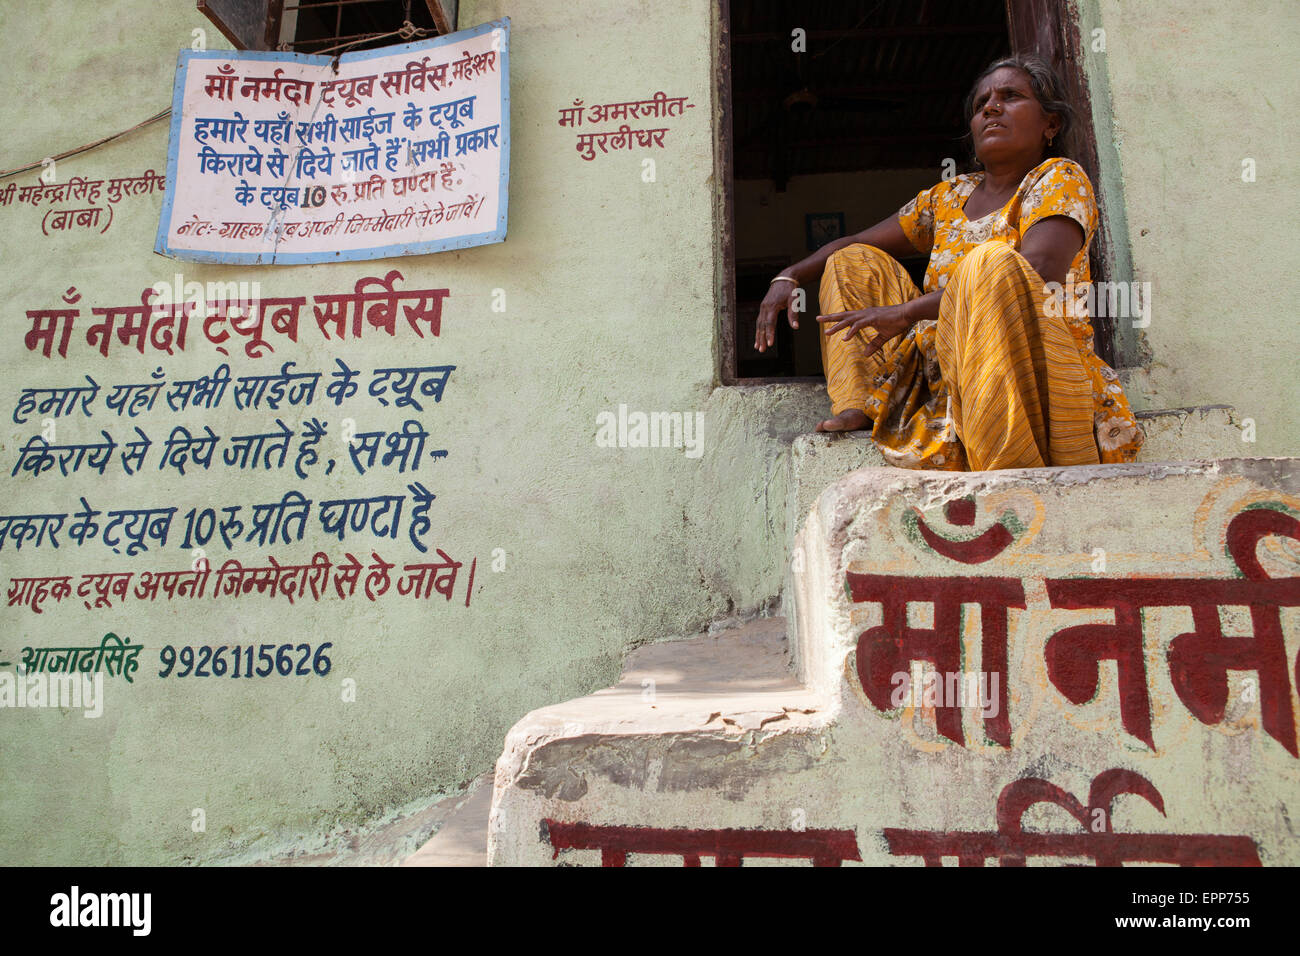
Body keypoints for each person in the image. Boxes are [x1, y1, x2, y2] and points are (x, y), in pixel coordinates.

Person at [753, 54, 1144, 471]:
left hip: (1027, 370)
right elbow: (854, 240)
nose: (991, 107)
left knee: (990, 262)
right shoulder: (948, 197)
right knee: (853, 260)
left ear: (1051, 124)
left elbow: (1036, 270)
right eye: (981, 105)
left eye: (1010, 97)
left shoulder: (1058, 178)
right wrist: (789, 275)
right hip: (944, 374)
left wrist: (906, 312)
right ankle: (861, 403)